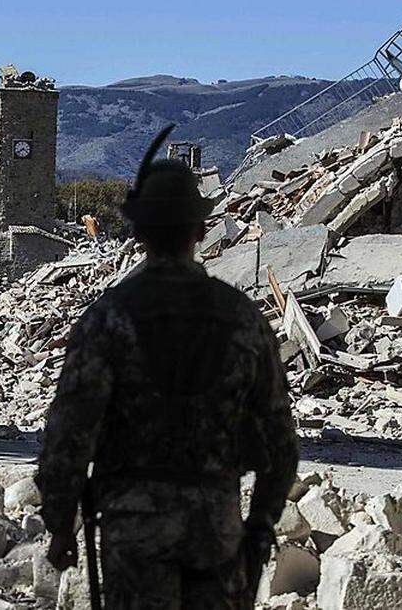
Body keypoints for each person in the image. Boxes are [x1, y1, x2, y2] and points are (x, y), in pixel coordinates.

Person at [36, 127, 299, 609]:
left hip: (134, 535)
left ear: (137, 233)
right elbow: (280, 443)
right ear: (200, 231)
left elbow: (67, 438)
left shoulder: (108, 319)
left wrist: (60, 524)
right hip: (215, 531)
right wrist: (260, 525)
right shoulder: (241, 318)